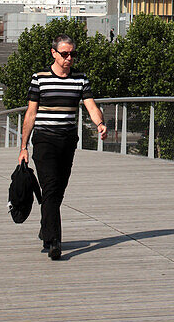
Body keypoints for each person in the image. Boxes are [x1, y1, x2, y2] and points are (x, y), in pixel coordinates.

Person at [17, 33, 107, 259]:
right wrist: (23, 146)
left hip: (67, 141)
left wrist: (100, 123)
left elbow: (90, 106)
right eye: (65, 54)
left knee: (57, 191)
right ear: (54, 53)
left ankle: (46, 230)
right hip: (44, 140)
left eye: (72, 54)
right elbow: (31, 113)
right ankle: (55, 241)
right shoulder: (39, 78)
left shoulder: (80, 79)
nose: (69, 58)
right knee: (50, 187)